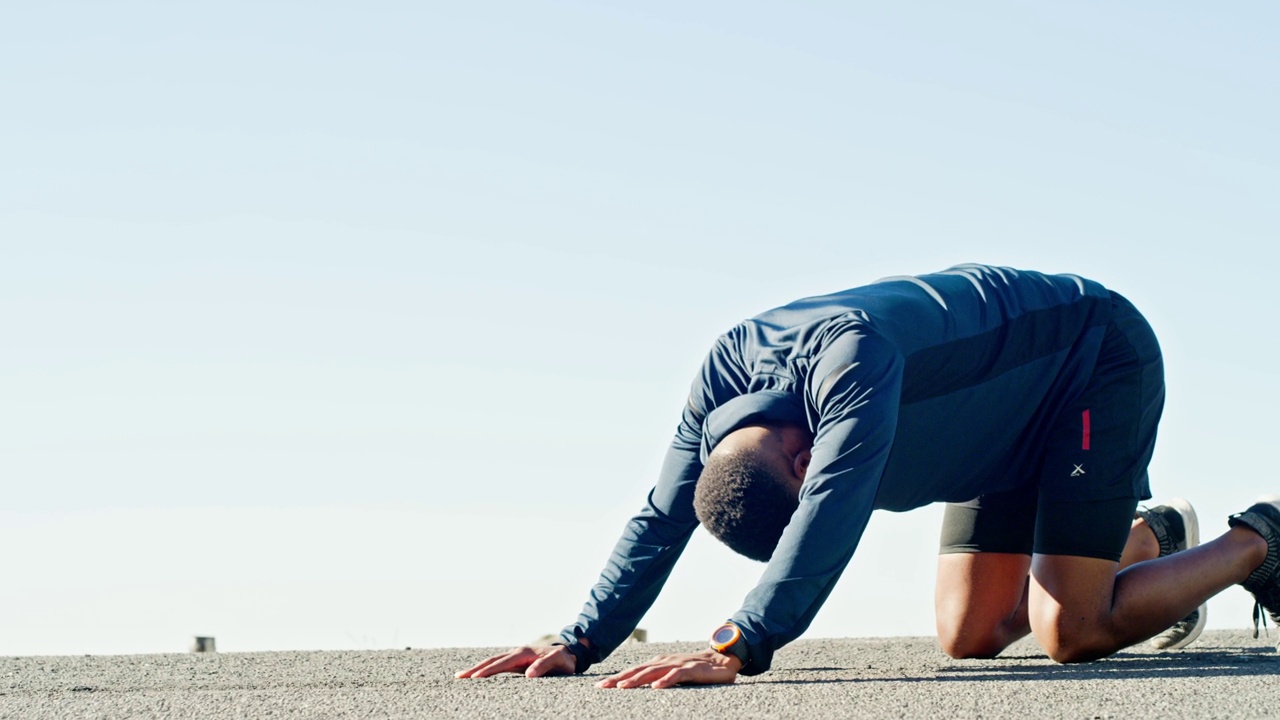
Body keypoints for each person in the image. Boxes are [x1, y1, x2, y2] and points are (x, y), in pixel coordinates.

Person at [455, 264, 1280, 689]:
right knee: (972, 637)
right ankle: (1145, 540)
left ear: (802, 461)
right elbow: (659, 515)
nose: (818, 472)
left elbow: (832, 514)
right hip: (992, 430)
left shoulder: (853, 362)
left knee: (1071, 635)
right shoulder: (722, 386)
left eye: (811, 476)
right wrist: (582, 637)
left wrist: (744, 643)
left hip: (1090, 364)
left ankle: (1259, 538)